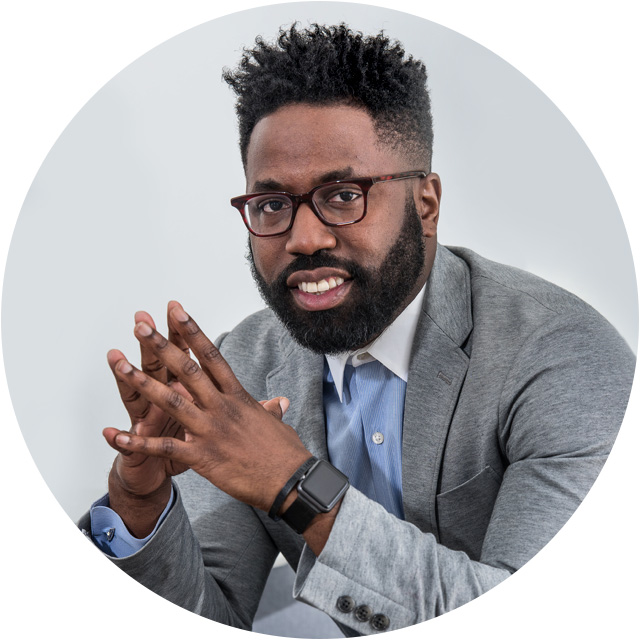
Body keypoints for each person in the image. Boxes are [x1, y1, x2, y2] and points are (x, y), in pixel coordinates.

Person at [79, 23, 635, 635]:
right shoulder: (243, 367)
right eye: (272, 205)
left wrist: (296, 485)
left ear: (426, 204)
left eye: (344, 195)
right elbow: (212, 616)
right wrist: (141, 502)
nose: (304, 238)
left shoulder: (564, 358)